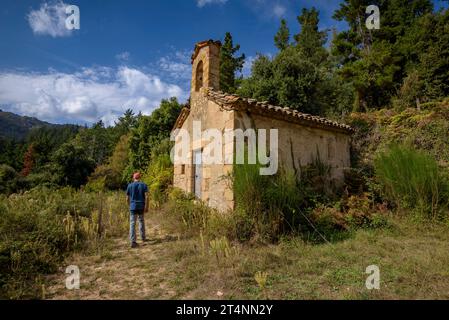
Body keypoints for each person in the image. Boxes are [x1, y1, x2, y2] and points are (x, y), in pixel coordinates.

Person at [126, 172, 149, 248]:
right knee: (141, 221)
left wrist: (129, 205)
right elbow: (147, 197)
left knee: (132, 223)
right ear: (140, 177)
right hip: (141, 206)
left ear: (133, 178)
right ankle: (143, 238)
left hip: (133, 207)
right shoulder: (144, 185)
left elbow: (127, 198)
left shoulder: (130, 185)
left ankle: (133, 241)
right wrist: (146, 207)